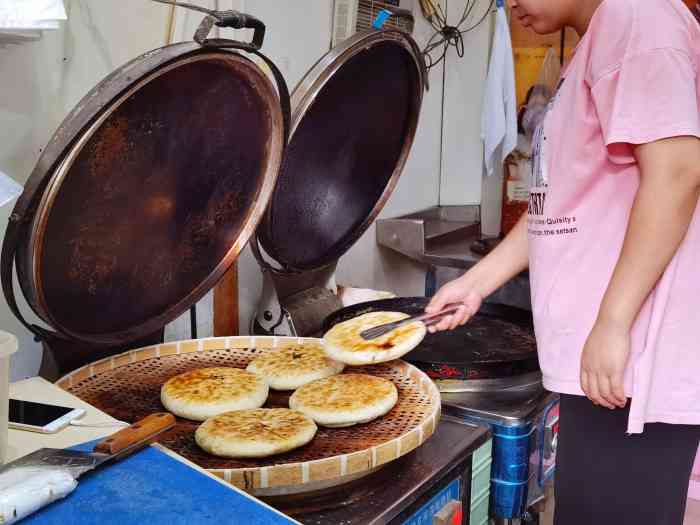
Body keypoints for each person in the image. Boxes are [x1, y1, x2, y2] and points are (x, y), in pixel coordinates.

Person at [427, 0, 700, 523]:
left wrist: (614, 322)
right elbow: (555, 206)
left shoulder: (636, 17)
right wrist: (477, 283)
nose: (509, 5)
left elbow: (678, 173)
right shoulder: (598, 39)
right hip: (603, 359)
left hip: (630, 365)